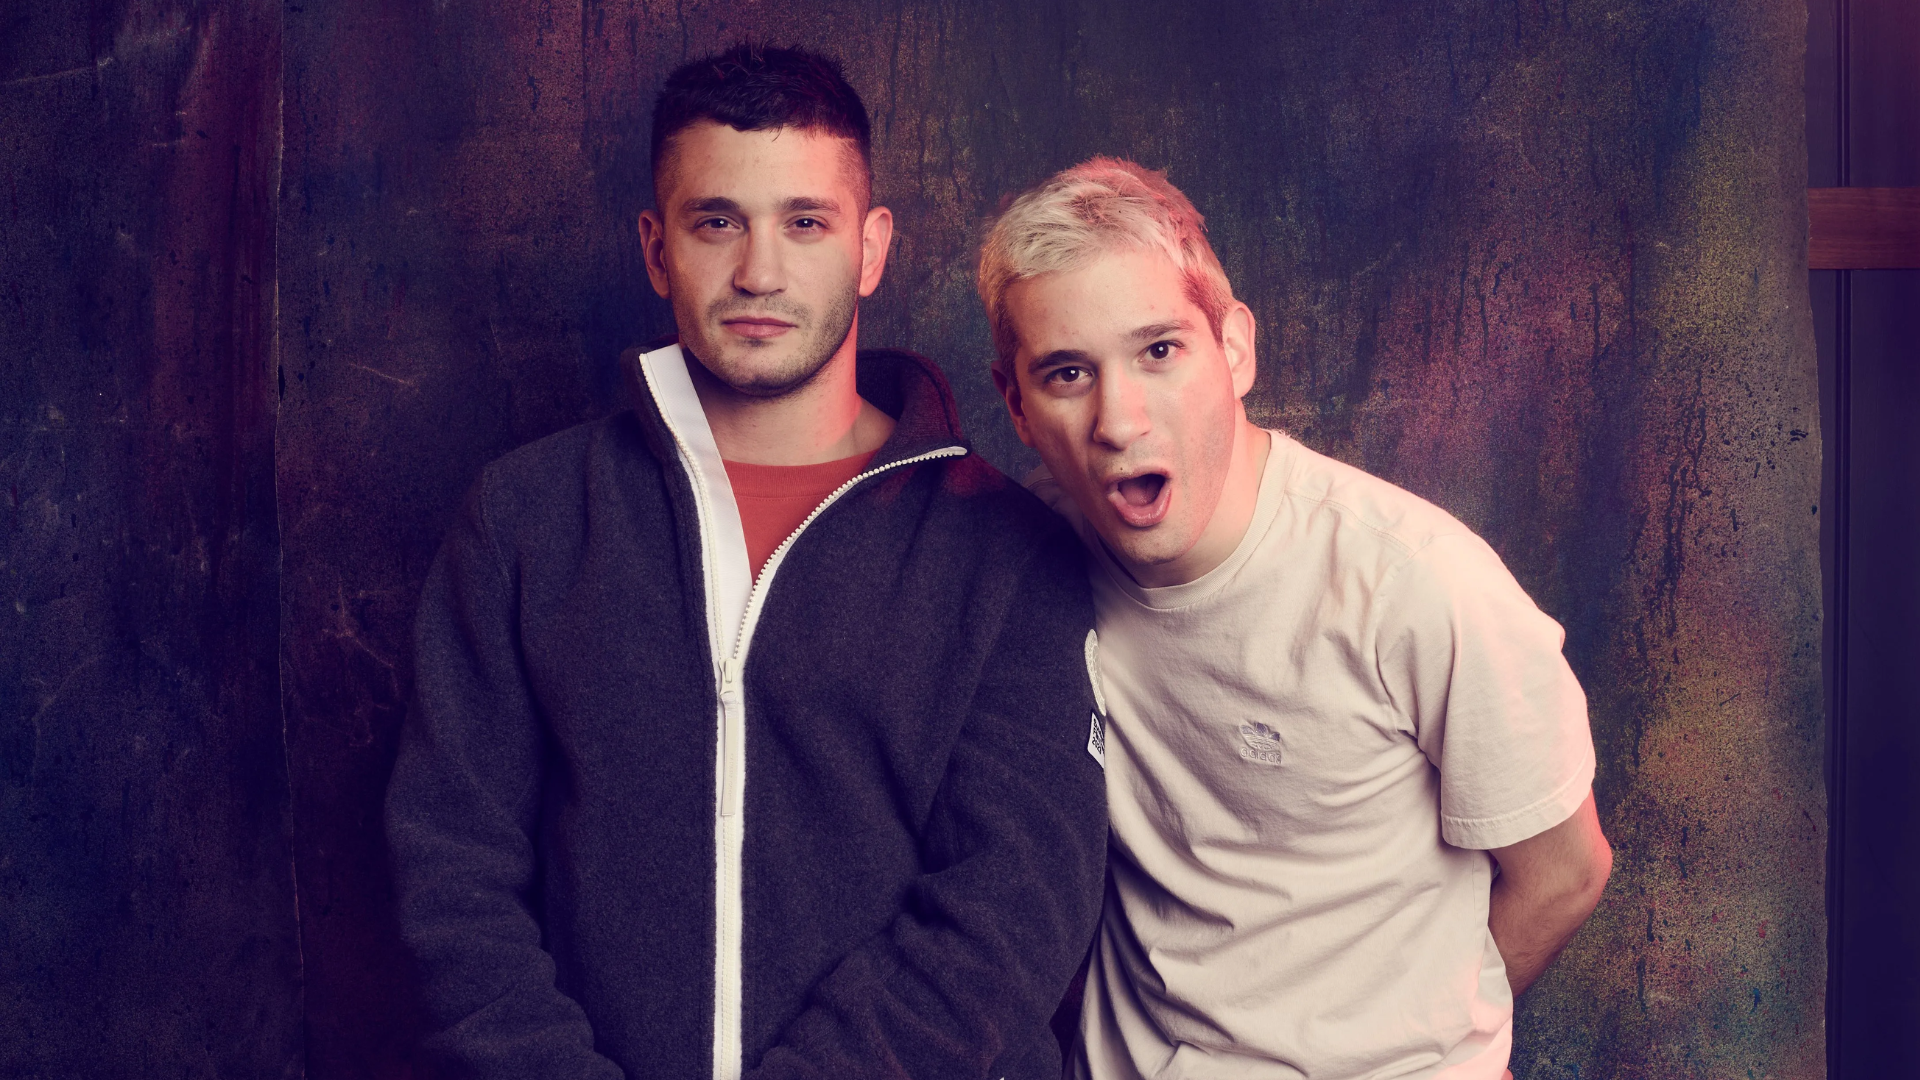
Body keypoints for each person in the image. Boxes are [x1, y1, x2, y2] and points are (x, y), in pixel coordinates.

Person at [386, 44, 1107, 1080]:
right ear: (656, 248)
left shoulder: (1005, 556)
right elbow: (451, 877)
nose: (759, 272)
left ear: (870, 248)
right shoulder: (528, 519)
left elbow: (1010, 914)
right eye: (717, 222)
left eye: (804, 223)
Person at [977, 157, 1613, 1080]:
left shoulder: (1416, 582)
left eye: (1160, 351)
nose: (1119, 419)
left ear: (1234, 350)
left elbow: (1565, 875)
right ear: (1018, 406)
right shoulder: (1026, 558)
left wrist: (1426, 1050)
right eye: (1068, 372)